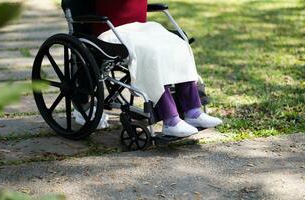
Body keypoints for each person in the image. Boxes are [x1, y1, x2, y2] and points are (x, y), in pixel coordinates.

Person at [75, 0, 222, 137]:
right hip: (113, 31)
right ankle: (171, 120)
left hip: (141, 27)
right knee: (152, 53)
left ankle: (193, 111)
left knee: (180, 44)